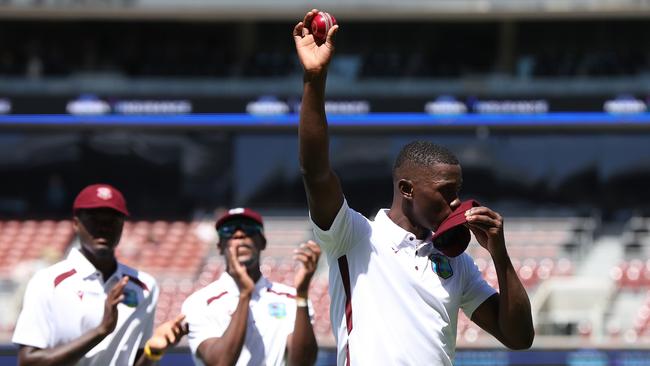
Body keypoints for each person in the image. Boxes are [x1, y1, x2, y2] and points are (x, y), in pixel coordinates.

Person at [293, 9, 535, 365]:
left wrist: (499, 254)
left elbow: (519, 337)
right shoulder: (355, 237)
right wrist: (315, 79)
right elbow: (315, 172)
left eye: (458, 190)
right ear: (407, 189)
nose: (457, 203)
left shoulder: (457, 264)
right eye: (445, 191)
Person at [12, 183, 188, 366]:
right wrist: (101, 331)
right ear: (76, 224)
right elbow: (28, 362)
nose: (103, 228)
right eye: (93, 220)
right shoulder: (48, 282)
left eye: (112, 220)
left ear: (122, 225)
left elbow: (135, 361)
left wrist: (153, 353)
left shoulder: (144, 286)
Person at [182, 207, 320, 366]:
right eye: (228, 230)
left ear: (263, 242)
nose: (240, 234)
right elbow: (220, 363)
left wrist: (302, 294)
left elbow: (303, 363)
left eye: (249, 229)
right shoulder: (199, 303)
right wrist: (245, 294)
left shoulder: (291, 299)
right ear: (220, 246)